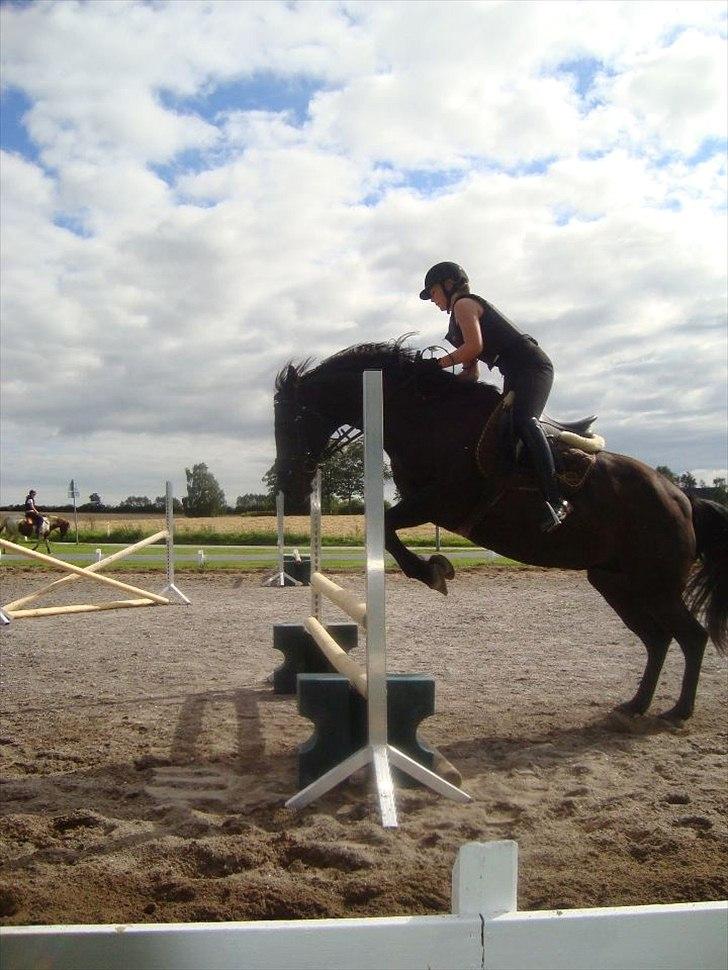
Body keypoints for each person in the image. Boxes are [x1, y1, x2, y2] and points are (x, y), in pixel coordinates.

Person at [419, 261, 572, 532]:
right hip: (513, 372)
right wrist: (438, 383)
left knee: (525, 421)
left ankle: (557, 499)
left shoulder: (464, 305)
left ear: (448, 284)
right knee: (500, 433)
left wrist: (435, 365)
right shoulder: (455, 325)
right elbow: (471, 374)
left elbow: (474, 347)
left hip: (532, 367)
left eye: (432, 292)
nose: (432, 299)